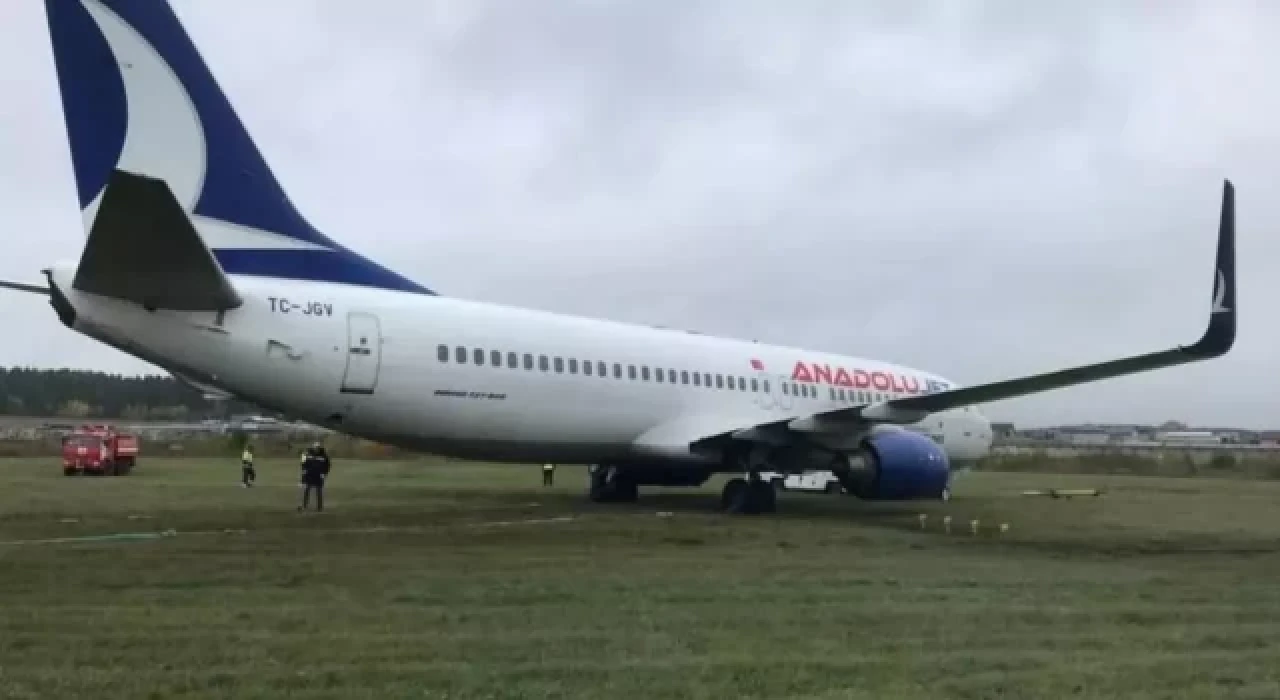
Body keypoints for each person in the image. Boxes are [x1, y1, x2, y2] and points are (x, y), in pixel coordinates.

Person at [298, 442, 331, 512]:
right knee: (307, 490)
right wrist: (304, 470)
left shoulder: (324, 455)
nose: (316, 449)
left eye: (318, 447)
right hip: (309, 474)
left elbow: (328, 465)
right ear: (313, 447)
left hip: (319, 475)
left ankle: (319, 507)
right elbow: (302, 462)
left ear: (319, 448)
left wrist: (324, 473)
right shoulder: (307, 453)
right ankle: (304, 505)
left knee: (319, 491)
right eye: (315, 447)